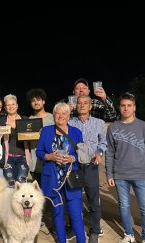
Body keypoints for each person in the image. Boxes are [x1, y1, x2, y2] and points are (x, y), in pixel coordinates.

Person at [105, 92, 145, 243]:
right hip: (120, 175)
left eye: (129, 106)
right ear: (119, 107)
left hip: (142, 175)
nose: (126, 108)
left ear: (134, 108)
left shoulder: (143, 127)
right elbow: (109, 153)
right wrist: (109, 174)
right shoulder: (113, 127)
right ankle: (129, 234)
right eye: (123, 105)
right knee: (124, 207)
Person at [36, 102, 86, 243]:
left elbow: (82, 155)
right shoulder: (46, 131)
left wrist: (72, 158)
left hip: (71, 178)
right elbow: (39, 151)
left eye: (64, 113)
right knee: (57, 213)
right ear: (54, 116)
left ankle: (81, 240)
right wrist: (49, 156)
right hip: (52, 178)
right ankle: (61, 240)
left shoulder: (76, 132)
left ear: (68, 116)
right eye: (58, 113)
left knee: (76, 214)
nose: (61, 116)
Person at [68, 95, 107, 243]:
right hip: (75, 166)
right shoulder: (70, 123)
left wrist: (100, 152)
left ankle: (95, 230)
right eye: (80, 103)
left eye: (86, 103)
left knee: (93, 200)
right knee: (73, 199)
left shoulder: (99, 123)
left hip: (91, 165)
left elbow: (103, 142)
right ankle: (74, 228)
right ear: (76, 106)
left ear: (90, 106)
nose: (82, 106)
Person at [0, 94, 30, 186]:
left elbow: (32, 138)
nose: (11, 107)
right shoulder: (1, 121)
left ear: (17, 105)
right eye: (8, 105)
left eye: (13, 104)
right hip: (8, 158)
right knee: (10, 184)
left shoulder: (25, 119)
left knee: (22, 184)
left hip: (22, 157)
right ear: (5, 107)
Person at [26, 88, 54, 182]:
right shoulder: (29, 120)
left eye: (38, 100)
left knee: (49, 194)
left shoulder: (52, 118)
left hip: (50, 163)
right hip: (34, 165)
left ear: (44, 101)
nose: (36, 102)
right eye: (33, 101)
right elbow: (26, 142)